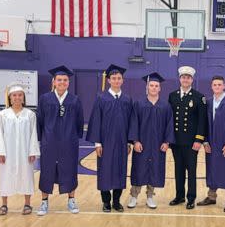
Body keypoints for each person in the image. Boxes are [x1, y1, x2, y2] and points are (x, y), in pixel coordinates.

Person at [36, 65, 84, 216]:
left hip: (69, 142)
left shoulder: (74, 100)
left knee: (70, 170)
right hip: (49, 142)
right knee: (47, 170)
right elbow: (40, 121)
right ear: (54, 82)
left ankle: (71, 200)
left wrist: (72, 137)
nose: (62, 82)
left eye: (65, 80)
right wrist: (42, 139)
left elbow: (79, 123)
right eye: (59, 80)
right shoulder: (45, 99)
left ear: (68, 82)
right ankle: (44, 202)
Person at [87, 64, 133, 212]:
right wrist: (97, 143)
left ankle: (117, 201)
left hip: (121, 141)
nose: (116, 80)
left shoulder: (127, 99)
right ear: (108, 80)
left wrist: (128, 141)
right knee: (105, 171)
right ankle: (106, 201)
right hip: (105, 142)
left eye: (119, 78)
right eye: (113, 78)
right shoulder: (101, 98)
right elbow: (96, 121)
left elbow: (131, 122)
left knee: (120, 170)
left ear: (122, 80)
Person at [0, 83, 40, 216]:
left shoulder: (30, 115)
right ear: (10, 98)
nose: (17, 98)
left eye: (20, 95)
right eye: (14, 95)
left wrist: (32, 151)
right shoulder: (2, 115)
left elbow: (33, 134)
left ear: (23, 98)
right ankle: (4, 204)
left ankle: (27, 204)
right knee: (5, 175)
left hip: (25, 151)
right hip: (8, 152)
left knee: (27, 175)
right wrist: (0, 152)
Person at [127, 72, 174, 209]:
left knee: (154, 169)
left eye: (156, 86)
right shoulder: (139, 104)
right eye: (151, 85)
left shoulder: (165, 106)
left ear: (160, 88)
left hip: (158, 144)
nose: (153, 88)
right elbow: (133, 123)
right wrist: (135, 141)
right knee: (138, 169)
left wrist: (167, 142)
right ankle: (134, 196)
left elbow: (169, 125)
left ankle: (150, 196)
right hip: (142, 144)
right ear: (147, 87)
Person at [197, 75, 225, 212]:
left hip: (224, 143)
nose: (217, 87)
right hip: (211, 142)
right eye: (214, 85)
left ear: (224, 86)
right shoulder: (208, 102)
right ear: (211, 86)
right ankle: (211, 196)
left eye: (219, 85)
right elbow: (203, 123)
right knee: (212, 169)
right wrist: (205, 141)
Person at [168, 66, 207, 210]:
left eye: (188, 77)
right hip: (176, 141)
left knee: (191, 171)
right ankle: (179, 196)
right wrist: (169, 139)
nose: (185, 79)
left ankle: (191, 198)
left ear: (192, 79)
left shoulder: (199, 97)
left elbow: (202, 121)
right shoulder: (172, 96)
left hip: (191, 142)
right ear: (179, 79)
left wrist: (199, 140)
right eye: (183, 77)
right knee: (178, 170)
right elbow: (170, 119)